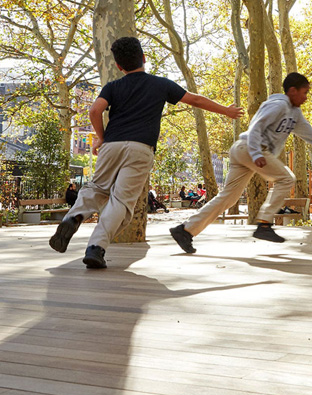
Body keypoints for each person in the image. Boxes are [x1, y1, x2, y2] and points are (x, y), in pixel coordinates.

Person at [49, 37, 242, 270]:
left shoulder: (113, 86)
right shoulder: (161, 84)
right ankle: (95, 248)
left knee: (97, 188)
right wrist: (227, 111)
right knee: (120, 201)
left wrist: (102, 137)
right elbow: (195, 99)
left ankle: (73, 217)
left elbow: (94, 110)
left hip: (112, 145)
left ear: (119, 67)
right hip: (141, 148)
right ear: (144, 58)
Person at [169, 72, 312, 251]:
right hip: (251, 148)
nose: (306, 97)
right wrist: (255, 153)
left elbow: (310, 133)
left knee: (228, 198)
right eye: (304, 92)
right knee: (286, 179)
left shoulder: (295, 113)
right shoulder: (278, 105)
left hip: (243, 151)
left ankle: (185, 230)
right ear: (292, 91)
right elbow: (256, 126)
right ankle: (264, 224)